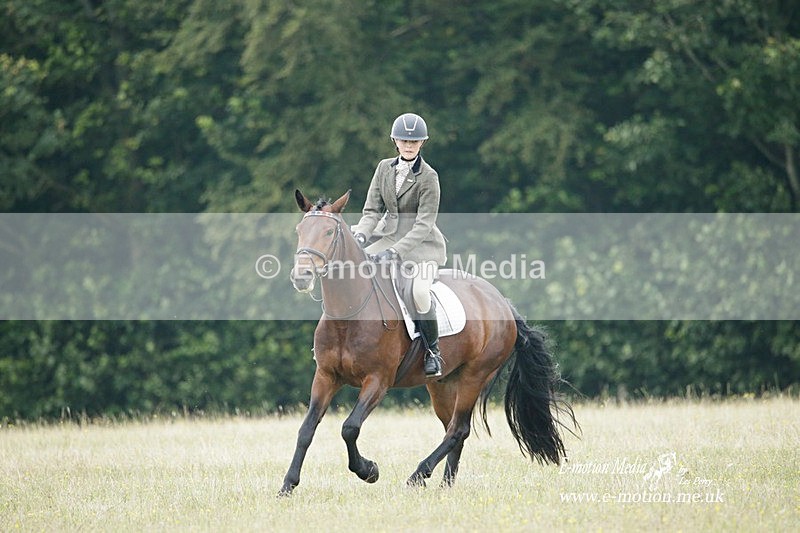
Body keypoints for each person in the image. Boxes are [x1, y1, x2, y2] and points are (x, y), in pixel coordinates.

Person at [352, 113, 447, 378]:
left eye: (414, 141)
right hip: (387, 238)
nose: (408, 145)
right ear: (395, 140)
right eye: (404, 140)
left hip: (422, 247)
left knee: (418, 292)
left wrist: (395, 252)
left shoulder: (429, 177)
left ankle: (432, 352)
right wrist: (361, 235)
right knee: (350, 269)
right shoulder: (384, 168)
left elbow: (424, 224)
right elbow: (372, 209)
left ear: (422, 143)